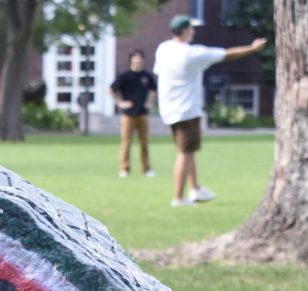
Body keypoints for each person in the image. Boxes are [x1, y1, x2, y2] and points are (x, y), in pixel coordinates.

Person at [153, 14, 267, 207]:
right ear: (185, 30)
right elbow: (227, 54)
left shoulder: (163, 49)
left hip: (169, 109)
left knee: (187, 151)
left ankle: (196, 189)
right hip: (187, 109)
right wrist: (253, 48)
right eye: (191, 28)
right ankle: (178, 198)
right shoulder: (192, 53)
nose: (194, 31)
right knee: (184, 153)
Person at [108, 49, 157, 178]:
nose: (137, 60)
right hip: (128, 114)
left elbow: (154, 90)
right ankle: (125, 169)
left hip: (143, 113)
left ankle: (146, 169)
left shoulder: (146, 76)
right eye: (135, 58)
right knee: (126, 143)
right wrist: (119, 103)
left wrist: (150, 103)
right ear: (131, 60)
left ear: (143, 60)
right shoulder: (126, 75)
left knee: (144, 143)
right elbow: (110, 89)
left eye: (140, 58)